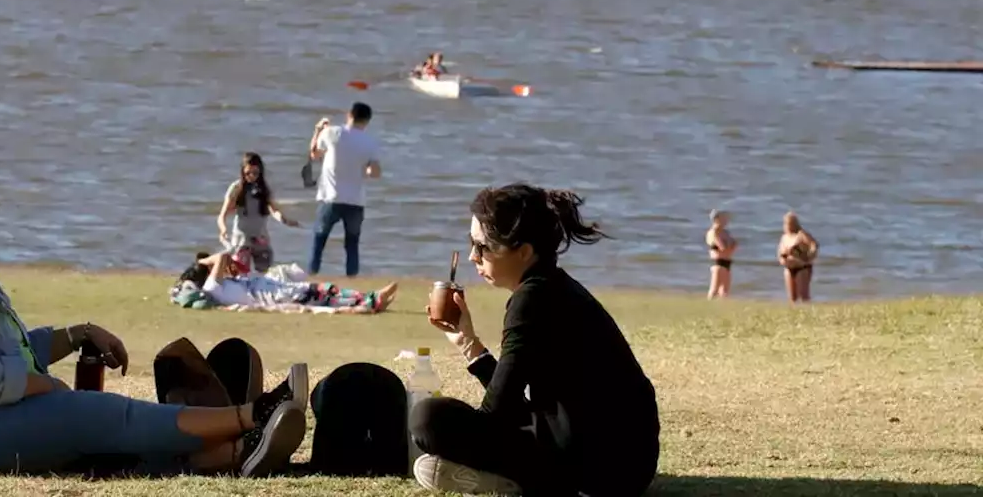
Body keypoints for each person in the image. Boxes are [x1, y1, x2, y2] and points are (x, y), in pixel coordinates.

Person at [0, 173, 309, 476]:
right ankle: (252, 418)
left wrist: (76, 335)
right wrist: (39, 386)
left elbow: (7, 352)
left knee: (96, 433)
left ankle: (228, 454)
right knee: (89, 416)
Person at [412, 184, 659, 496]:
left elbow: (497, 414)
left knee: (427, 419)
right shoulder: (556, 287)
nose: (474, 257)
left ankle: (520, 483)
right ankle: (513, 478)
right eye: (471, 245)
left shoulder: (531, 299)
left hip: (595, 473)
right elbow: (515, 403)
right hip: (628, 465)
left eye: (483, 247)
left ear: (524, 251)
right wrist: (468, 344)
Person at [307, 102, 381, 277]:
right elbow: (375, 172)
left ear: (349, 115)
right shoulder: (370, 142)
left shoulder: (332, 132)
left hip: (330, 198)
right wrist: (365, 170)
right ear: (367, 121)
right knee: (352, 245)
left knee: (319, 240)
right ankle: (352, 280)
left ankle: (311, 276)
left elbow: (314, 153)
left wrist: (318, 130)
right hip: (355, 201)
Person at [189, 250, 398, 312]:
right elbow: (224, 255)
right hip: (277, 295)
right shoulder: (212, 287)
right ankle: (372, 300)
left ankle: (371, 300)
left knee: (325, 292)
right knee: (323, 295)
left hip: (279, 289)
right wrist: (204, 261)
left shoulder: (225, 283)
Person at [217, 152, 299, 272]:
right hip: (241, 240)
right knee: (240, 274)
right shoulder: (236, 188)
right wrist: (223, 229)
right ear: (242, 172)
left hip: (260, 238)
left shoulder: (264, 189)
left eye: (255, 173)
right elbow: (222, 215)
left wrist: (284, 220)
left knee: (265, 274)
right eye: (247, 173)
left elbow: (274, 210)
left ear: (260, 172)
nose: (251, 176)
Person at [777, 210, 819, 303]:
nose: (788, 225)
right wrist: (782, 259)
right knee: (792, 298)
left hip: (802, 267)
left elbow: (814, 245)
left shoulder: (801, 234)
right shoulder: (784, 237)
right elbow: (780, 252)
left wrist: (810, 256)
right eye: (787, 223)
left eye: (790, 223)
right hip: (788, 267)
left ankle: (808, 313)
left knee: (804, 296)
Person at [705, 209, 738, 299]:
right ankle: (708, 305)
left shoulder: (726, 232)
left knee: (724, 291)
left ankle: (721, 308)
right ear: (716, 219)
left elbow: (735, 244)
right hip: (718, 262)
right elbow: (722, 247)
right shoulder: (713, 232)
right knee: (714, 289)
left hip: (727, 262)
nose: (726, 220)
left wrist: (730, 248)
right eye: (723, 218)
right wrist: (729, 248)